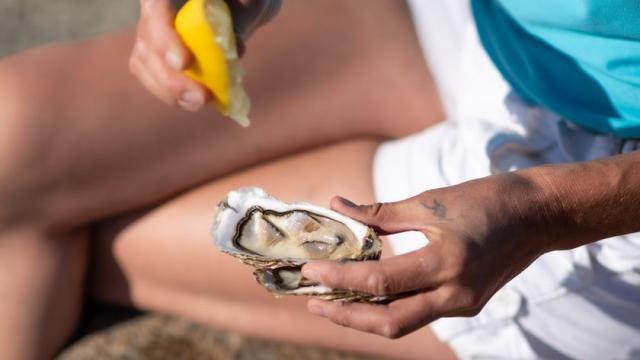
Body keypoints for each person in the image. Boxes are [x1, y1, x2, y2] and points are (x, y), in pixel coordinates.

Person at [0, 1, 637, 359]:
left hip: (596, 191)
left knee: (115, 239)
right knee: (12, 139)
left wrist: (551, 207)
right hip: (484, 22)